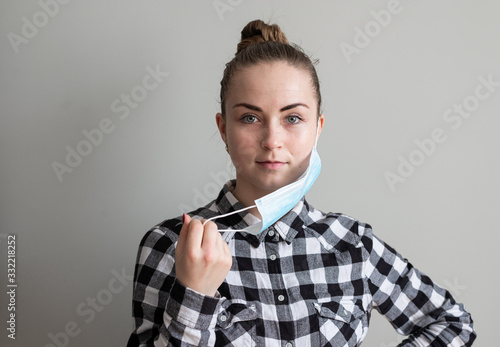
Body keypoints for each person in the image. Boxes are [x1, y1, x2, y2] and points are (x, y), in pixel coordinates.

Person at [127, 19, 476, 346]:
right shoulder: (172, 245)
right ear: (223, 128)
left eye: (292, 118)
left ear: (318, 128)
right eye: (250, 118)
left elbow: (452, 323)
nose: (272, 140)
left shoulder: (354, 245)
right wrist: (195, 294)